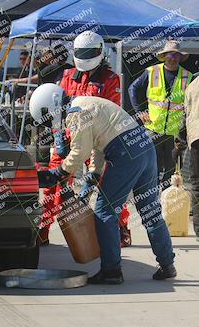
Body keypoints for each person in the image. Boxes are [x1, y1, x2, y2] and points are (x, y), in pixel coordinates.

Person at [30, 83, 176, 284]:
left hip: (126, 152)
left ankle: (111, 271)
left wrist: (59, 173)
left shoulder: (76, 113)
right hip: (144, 146)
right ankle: (168, 264)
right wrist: (94, 173)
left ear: (50, 108)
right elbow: (100, 144)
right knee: (150, 210)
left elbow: (80, 151)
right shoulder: (86, 104)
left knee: (105, 212)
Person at [39, 31, 130, 247]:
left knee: (107, 183)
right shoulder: (68, 75)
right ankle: (43, 227)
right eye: (82, 52)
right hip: (70, 138)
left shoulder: (111, 79)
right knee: (54, 183)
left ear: (99, 52)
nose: (85, 55)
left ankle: (121, 226)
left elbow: (110, 114)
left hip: (97, 141)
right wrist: (58, 137)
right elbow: (57, 109)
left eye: (89, 52)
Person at [129, 40, 193, 189]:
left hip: (175, 133)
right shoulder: (151, 72)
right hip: (153, 130)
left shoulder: (188, 76)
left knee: (172, 171)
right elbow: (132, 89)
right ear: (164, 56)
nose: (173, 57)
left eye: (177, 55)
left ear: (180, 57)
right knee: (152, 169)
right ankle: (151, 202)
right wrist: (140, 111)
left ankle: (167, 201)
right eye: (170, 54)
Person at [173, 75, 199, 241]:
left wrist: (180, 141)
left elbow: (184, 115)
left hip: (196, 139)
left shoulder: (192, 85)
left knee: (197, 184)